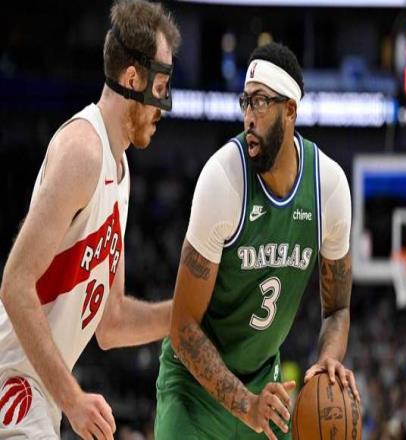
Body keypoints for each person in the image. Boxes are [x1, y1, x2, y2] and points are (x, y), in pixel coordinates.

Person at [155, 42, 360, 440]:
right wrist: (244, 404)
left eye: (261, 103)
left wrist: (328, 358)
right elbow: (182, 327)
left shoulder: (329, 188)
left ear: (290, 111)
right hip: (194, 389)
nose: (249, 116)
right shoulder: (223, 178)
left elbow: (338, 309)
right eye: (245, 102)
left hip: (266, 385)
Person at [0, 1, 180, 438]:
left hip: (40, 391)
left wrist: (187, 314)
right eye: (160, 87)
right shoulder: (83, 150)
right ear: (132, 79)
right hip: (12, 380)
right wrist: (72, 399)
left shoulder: (121, 170)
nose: (164, 105)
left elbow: (111, 322)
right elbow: (15, 285)